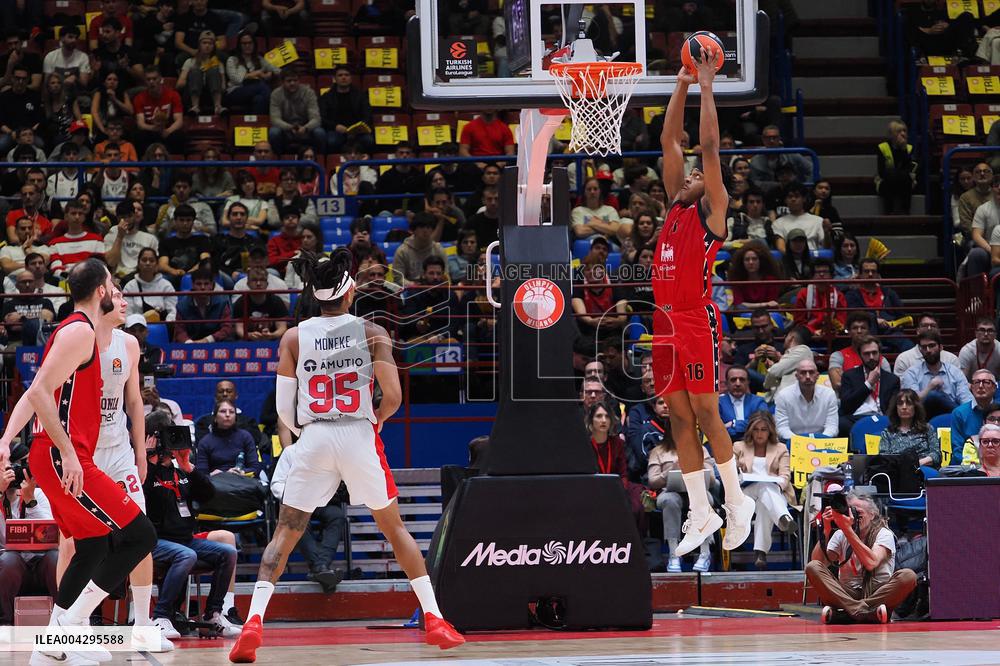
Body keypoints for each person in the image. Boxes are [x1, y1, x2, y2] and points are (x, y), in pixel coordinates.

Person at [228, 249, 464, 663]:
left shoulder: (294, 337)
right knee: (394, 528)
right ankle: (435, 619)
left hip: (315, 436)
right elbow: (392, 397)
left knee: (285, 532)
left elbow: (285, 410)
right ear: (349, 289)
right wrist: (374, 422)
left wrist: (308, 432)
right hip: (357, 433)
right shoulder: (373, 331)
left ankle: (253, 623)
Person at [0, 260, 157, 663]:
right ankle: (68, 627)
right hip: (62, 455)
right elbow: (37, 392)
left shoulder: (85, 333)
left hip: (65, 453)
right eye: (112, 285)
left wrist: (5, 440)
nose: (116, 291)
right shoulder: (80, 331)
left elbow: (37, 392)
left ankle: (57, 640)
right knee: (140, 536)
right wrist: (68, 453)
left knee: (92, 545)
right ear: (102, 292)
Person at [650, 51, 754, 559]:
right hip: (663, 322)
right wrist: (682, 83)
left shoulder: (712, 214)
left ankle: (735, 500)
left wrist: (709, 87)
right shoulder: (674, 204)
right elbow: (671, 140)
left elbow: (707, 146)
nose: (690, 172)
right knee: (677, 416)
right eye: (687, 173)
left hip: (695, 318)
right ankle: (701, 509)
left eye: (697, 174)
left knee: (707, 410)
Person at [143, 411, 241, 638]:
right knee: (187, 555)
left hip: (185, 540)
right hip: (155, 541)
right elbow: (143, 497)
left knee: (228, 552)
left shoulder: (181, 471)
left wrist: (187, 465)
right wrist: (150, 461)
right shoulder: (142, 471)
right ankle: (161, 617)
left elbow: (209, 495)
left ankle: (212, 614)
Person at [806, 491, 917, 624]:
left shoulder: (884, 534)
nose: (854, 516)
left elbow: (871, 562)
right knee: (812, 567)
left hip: (878, 592)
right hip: (846, 593)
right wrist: (826, 530)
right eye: (850, 512)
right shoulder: (840, 534)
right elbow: (819, 562)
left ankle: (847, 613)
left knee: (908, 576)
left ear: (872, 515)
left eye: (858, 513)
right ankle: (867, 613)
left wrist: (848, 530)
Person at [645, 396, 716, 573]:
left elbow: (712, 479)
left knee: (705, 497)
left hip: (696, 491)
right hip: (669, 492)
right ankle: (673, 554)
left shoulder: (700, 448)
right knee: (670, 500)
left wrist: (696, 466)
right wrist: (671, 470)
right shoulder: (658, 451)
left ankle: (705, 553)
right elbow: (652, 481)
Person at [269, 444, 346, 593]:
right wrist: (293, 495)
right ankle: (322, 569)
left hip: (324, 501)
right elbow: (276, 484)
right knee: (296, 520)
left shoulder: (331, 450)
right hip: (298, 502)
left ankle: (319, 567)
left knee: (337, 516)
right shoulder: (291, 451)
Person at [733, 411, 797, 570]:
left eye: (764, 429)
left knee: (765, 499)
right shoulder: (738, 447)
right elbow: (728, 474)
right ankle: (783, 519)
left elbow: (785, 476)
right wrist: (737, 472)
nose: (760, 433)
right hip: (746, 493)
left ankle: (760, 553)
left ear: (770, 431)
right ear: (750, 430)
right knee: (764, 488)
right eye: (756, 429)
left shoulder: (780, 448)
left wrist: (777, 484)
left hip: (774, 493)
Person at [0, 457, 57, 626]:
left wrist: (31, 501)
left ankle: (64, 622)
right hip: (10, 567)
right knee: (9, 560)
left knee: (56, 557)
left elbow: (51, 534)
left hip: (40, 562)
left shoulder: (39, 493)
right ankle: (4, 624)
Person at [901, 330, 974, 418]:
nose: (928, 350)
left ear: (941, 347)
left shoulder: (955, 372)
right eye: (924, 347)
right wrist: (929, 387)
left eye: (931, 346)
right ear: (920, 350)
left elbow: (966, 399)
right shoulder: (911, 373)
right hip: (921, 421)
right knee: (933, 396)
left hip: (951, 418)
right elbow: (910, 404)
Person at [838, 337, 901, 435]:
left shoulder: (892, 379)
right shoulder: (849, 376)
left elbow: (892, 408)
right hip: (856, 418)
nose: (871, 357)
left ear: (880, 354)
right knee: (842, 423)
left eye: (874, 353)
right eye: (866, 354)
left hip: (881, 417)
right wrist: (868, 384)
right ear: (860, 355)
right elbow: (846, 406)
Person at [774, 359, 839, 440]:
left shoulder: (829, 395)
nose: (808, 376)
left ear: (817, 375)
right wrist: (802, 443)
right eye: (803, 373)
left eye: (811, 372)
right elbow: (782, 428)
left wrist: (818, 440)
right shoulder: (783, 395)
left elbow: (832, 427)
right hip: (793, 443)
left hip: (821, 442)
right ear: (796, 376)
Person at [827, 312, 891, 394]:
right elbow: (837, 383)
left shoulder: (881, 360)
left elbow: (888, 385)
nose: (859, 331)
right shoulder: (838, 356)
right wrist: (871, 382)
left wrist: (848, 380)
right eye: (855, 328)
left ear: (868, 331)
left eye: (863, 328)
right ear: (849, 332)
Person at [195, 400, 262, 478]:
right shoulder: (205, 442)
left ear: (235, 417)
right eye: (223, 411)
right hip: (215, 484)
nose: (227, 415)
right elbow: (200, 475)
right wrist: (212, 475)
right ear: (215, 418)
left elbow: (255, 468)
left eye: (231, 412)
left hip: (242, 482)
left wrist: (242, 472)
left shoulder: (245, 436)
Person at [878, 389, 941, 468]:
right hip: (897, 471)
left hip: (923, 469)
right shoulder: (887, 432)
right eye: (900, 404)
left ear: (915, 407)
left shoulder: (927, 428)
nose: (904, 407)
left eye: (909, 403)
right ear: (896, 408)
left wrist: (916, 463)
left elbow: (936, 455)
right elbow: (884, 458)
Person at [318, 65, 373, 153]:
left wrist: (359, 128)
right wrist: (335, 126)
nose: (343, 77)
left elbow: (368, 115)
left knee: (368, 140)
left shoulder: (361, 96)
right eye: (340, 75)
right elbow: (322, 118)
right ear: (335, 79)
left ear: (351, 78)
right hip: (336, 130)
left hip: (357, 132)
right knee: (332, 142)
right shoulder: (326, 97)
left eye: (346, 75)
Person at [268, 68, 324, 155]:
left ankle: (319, 161)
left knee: (319, 132)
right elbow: (275, 119)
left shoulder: (309, 93)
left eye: (295, 80)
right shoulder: (276, 94)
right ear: (282, 82)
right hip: (286, 130)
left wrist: (305, 128)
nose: (292, 83)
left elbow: (316, 119)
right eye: (289, 81)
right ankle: (278, 161)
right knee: (274, 132)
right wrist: (290, 127)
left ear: (299, 81)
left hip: (305, 129)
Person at [224, 30, 278, 115]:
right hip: (235, 92)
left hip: (255, 92)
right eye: (244, 44)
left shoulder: (259, 59)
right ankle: (275, 114)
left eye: (250, 43)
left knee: (259, 99)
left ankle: (254, 124)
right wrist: (257, 73)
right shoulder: (232, 60)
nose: (247, 46)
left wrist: (271, 73)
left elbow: (277, 70)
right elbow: (237, 80)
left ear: (254, 44)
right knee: (261, 86)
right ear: (239, 45)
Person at [47, 199, 105, 279]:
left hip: (90, 281)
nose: (77, 217)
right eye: (73, 213)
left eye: (80, 214)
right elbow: (56, 269)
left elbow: (100, 266)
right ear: (66, 217)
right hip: (65, 282)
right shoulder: (55, 243)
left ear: (84, 217)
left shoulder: (97, 240)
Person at [950, 369, 997, 466]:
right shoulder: (959, 413)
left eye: (986, 382)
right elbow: (958, 450)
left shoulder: (998, 412)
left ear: (994, 387)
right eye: (976, 382)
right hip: (969, 468)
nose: (980, 386)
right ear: (971, 388)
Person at [174, 266, 233, 343]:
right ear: (192, 285)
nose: (202, 287)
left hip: (216, 343)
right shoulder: (182, 305)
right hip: (190, 344)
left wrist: (207, 340)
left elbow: (226, 328)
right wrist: (189, 343)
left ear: (212, 285)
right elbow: (179, 331)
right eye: (198, 284)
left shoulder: (223, 301)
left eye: (206, 284)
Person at [133, 66, 184, 154]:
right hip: (151, 131)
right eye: (148, 79)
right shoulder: (139, 98)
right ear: (145, 81)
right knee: (138, 135)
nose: (151, 82)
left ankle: (174, 164)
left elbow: (179, 121)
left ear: (160, 79)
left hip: (167, 130)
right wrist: (153, 128)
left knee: (179, 136)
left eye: (154, 79)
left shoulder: (173, 95)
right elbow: (140, 124)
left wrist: (167, 131)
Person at [792, 259, 847, 338]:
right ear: (812, 276)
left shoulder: (839, 296)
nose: (821, 274)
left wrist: (829, 330)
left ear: (831, 276)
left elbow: (841, 321)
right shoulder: (803, 294)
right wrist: (813, 331)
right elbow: (799, 322)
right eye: (818, 272)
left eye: (825, 272)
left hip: (831, 335)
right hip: (807, 334)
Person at [233, 267, 289, 341]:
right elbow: (239, 329)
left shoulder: (276, 301)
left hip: (273, 341)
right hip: (247, 341)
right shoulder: (241, 302)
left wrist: (272, 335)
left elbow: (282, 328)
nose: (258, 284)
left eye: (262, 280)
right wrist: (249, 335)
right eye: (254, 280)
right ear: (248, 284)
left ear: (267, 284)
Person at [893, 313, 959, 377]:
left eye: (933, 326)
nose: (929, 329)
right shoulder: (904, 359)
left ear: (939, 331)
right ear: (918, 331)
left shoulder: (951, 359)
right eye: (925, 326)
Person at [124, 247, 178, 322]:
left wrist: (166, 325)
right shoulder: (130, 286)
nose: (148, 263)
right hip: (136, 328)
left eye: (151, 260)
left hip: (161, 327)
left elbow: (172, 312)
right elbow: (127, 314)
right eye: (144, 260)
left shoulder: (166, 285)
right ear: (138, 264)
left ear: (156, 264)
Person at [874, 120, 916, 215]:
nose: (903, 134)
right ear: (891, 135)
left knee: (906, 178)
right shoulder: (882, 147)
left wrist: (903, 149)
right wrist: (897, 174)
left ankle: (905, 212)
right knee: (891, 176)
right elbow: (882, 172)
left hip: (903, 182)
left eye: (904, 131)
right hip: (886, 182)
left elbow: (908, 169)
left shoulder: (909, 148)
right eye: (899, 131)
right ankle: (888, 212)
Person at [726, 241, 782, 312]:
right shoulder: (737, 280)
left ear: (761, 261)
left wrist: (764, 305)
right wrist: (765, 304)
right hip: (742, 316)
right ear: (742, 262)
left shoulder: (770, 280)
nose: (751, 262)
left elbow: (772, 305)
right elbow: (739, 305)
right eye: (747, 259)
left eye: (754, 259)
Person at [762, 326, 815, 398]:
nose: (784, 338)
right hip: (776, 394)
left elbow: (774, 372)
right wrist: (775, 364)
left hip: (785, 399)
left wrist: (772, 368)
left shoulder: (803, 350)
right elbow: (779, 371)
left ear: (791, 337)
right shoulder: (795, 353)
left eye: (786, 336)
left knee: (749, 373)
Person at [719, 366, 768, 441]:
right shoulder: (719, 403)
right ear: (726, 383)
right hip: (725, 444)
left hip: (753, 444)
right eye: (733, 380)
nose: (738, 383)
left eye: (742, 380)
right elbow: (717, 429)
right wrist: (747, 428)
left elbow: (763, 423)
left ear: (748, 382)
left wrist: (733, 423)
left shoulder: (758, 401)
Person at [957, 163, 994, 239]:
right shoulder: (965, 197)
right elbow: (966, 224)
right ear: (973, 177)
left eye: (986, 171)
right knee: (975, 250)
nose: (982, 174)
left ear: (992, 176)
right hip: (975, 238)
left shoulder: (997, 194)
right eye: (978, 172)